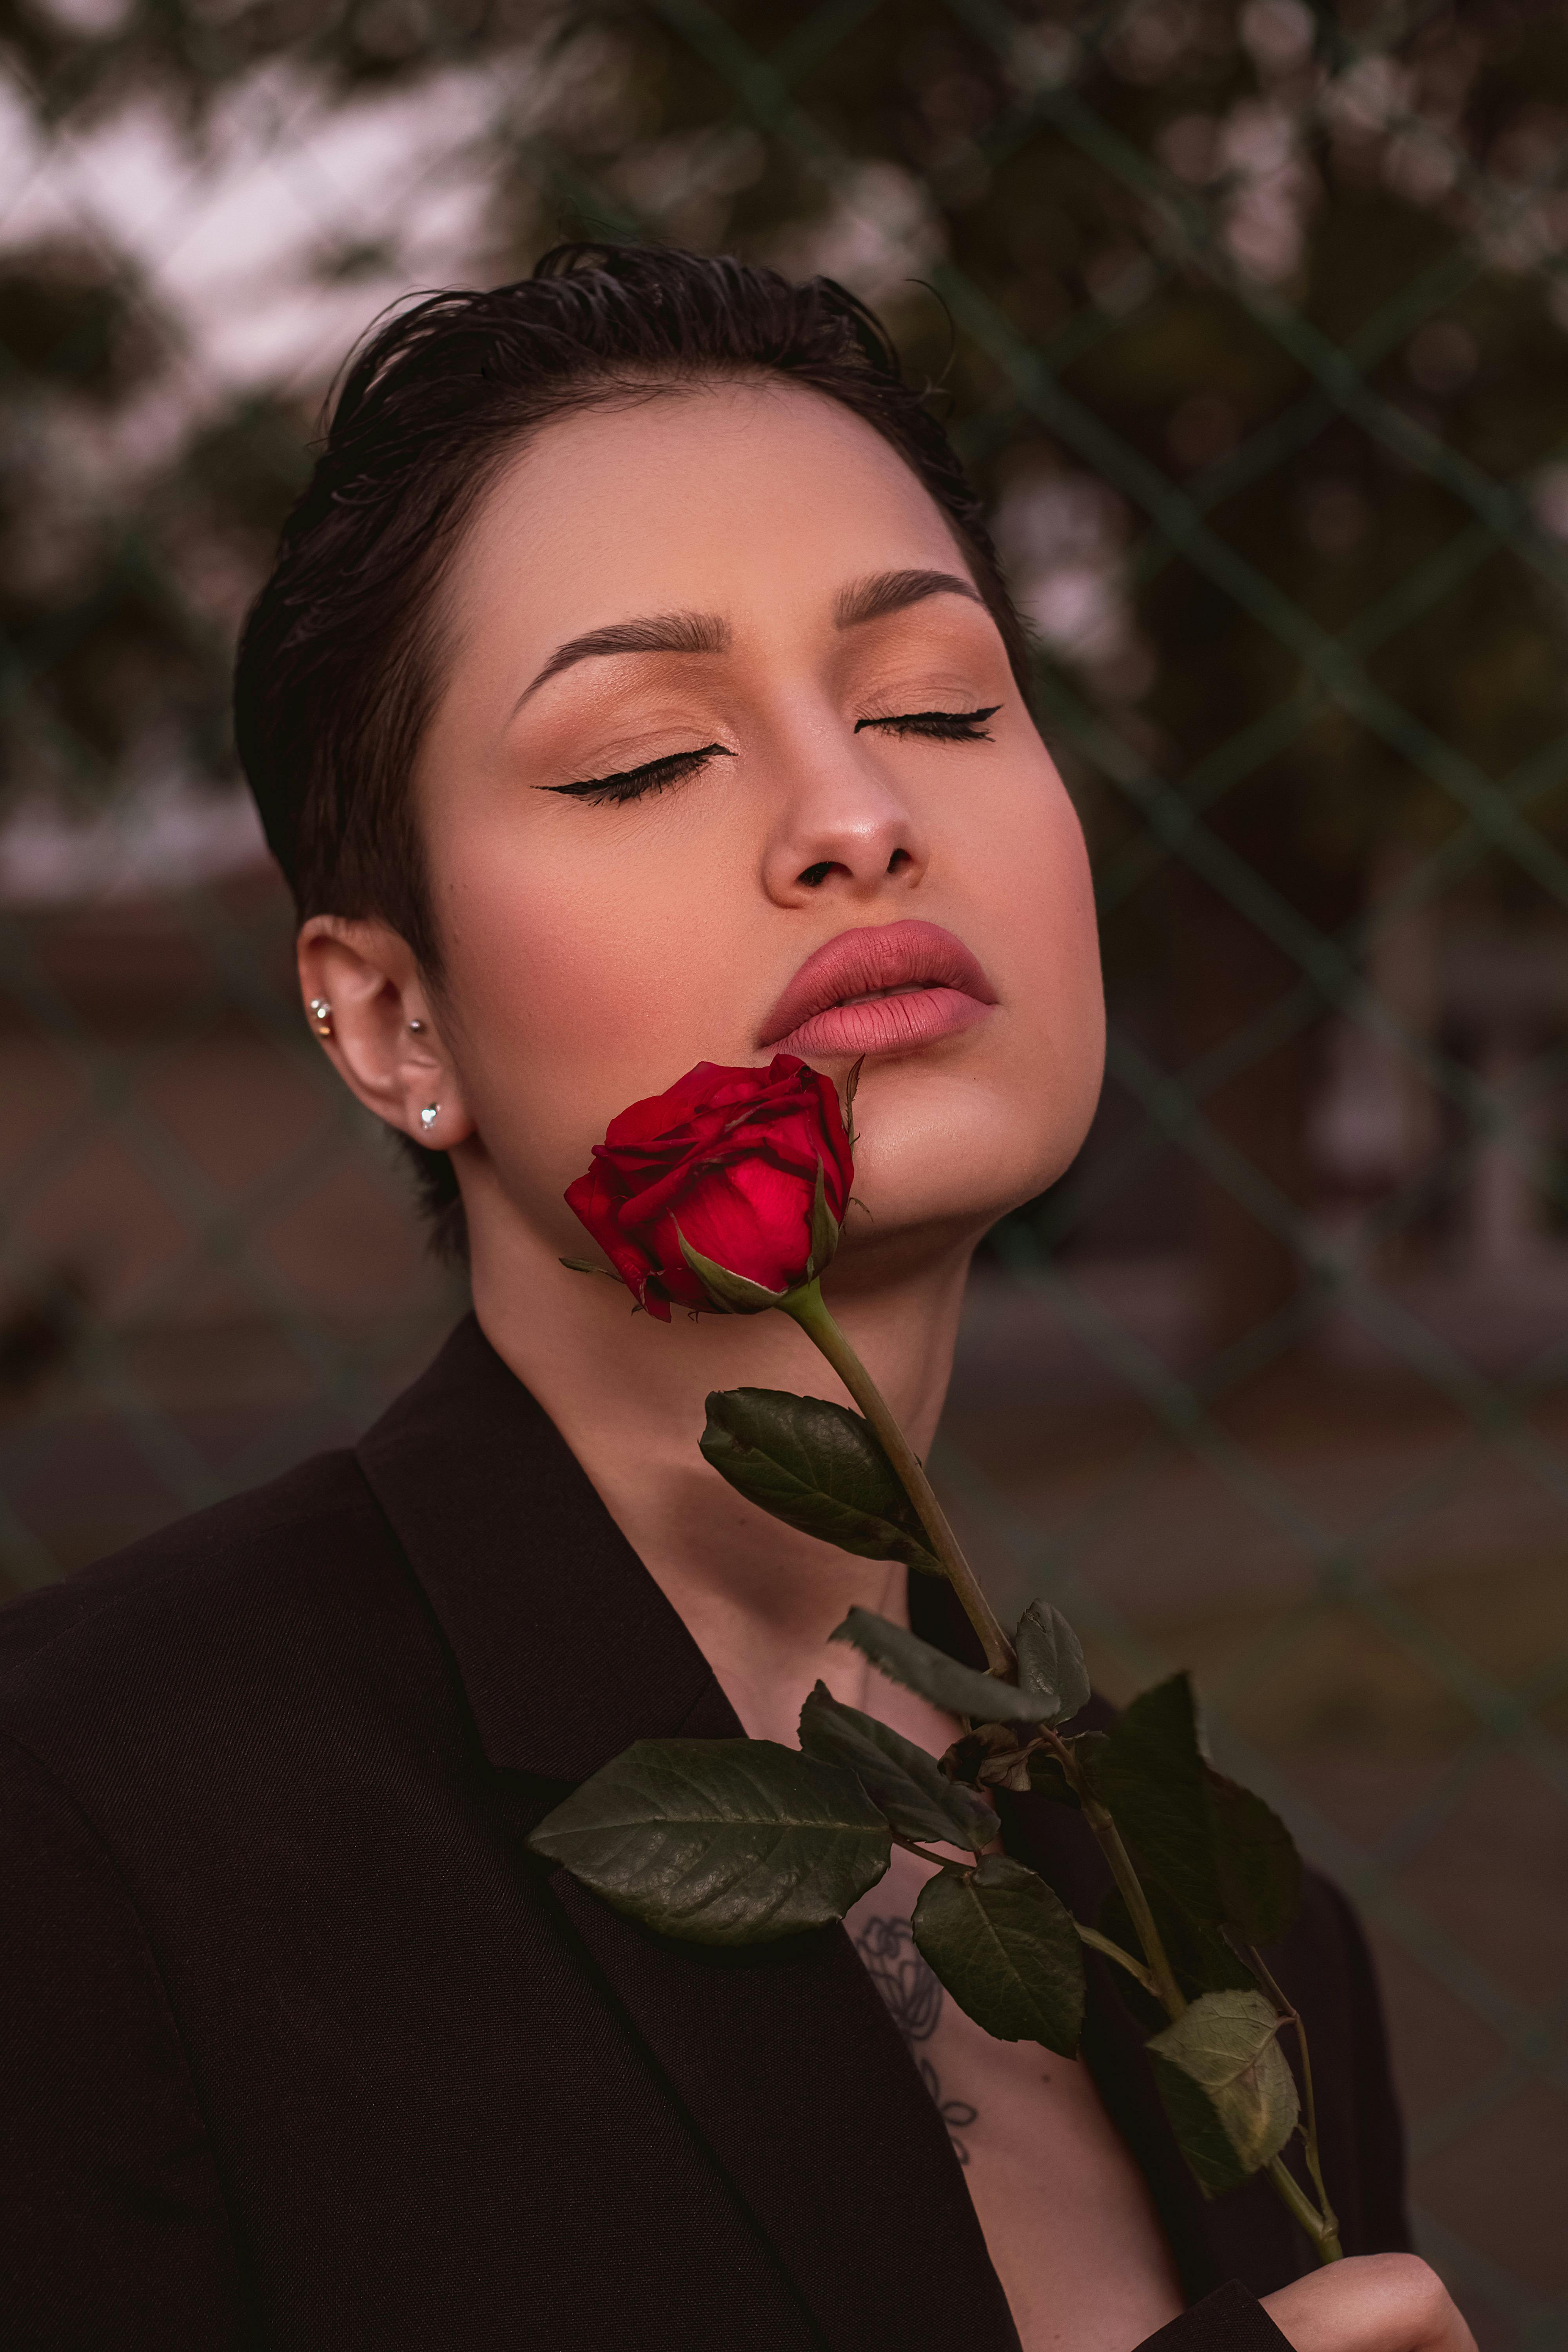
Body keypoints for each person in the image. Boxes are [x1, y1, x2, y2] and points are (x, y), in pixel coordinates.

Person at [0, 245, 1473, 2352]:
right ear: (391, 1014)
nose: (860, 816)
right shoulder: (84, 1850)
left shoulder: (1248, 1938)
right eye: (639, 760)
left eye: (944, 705)